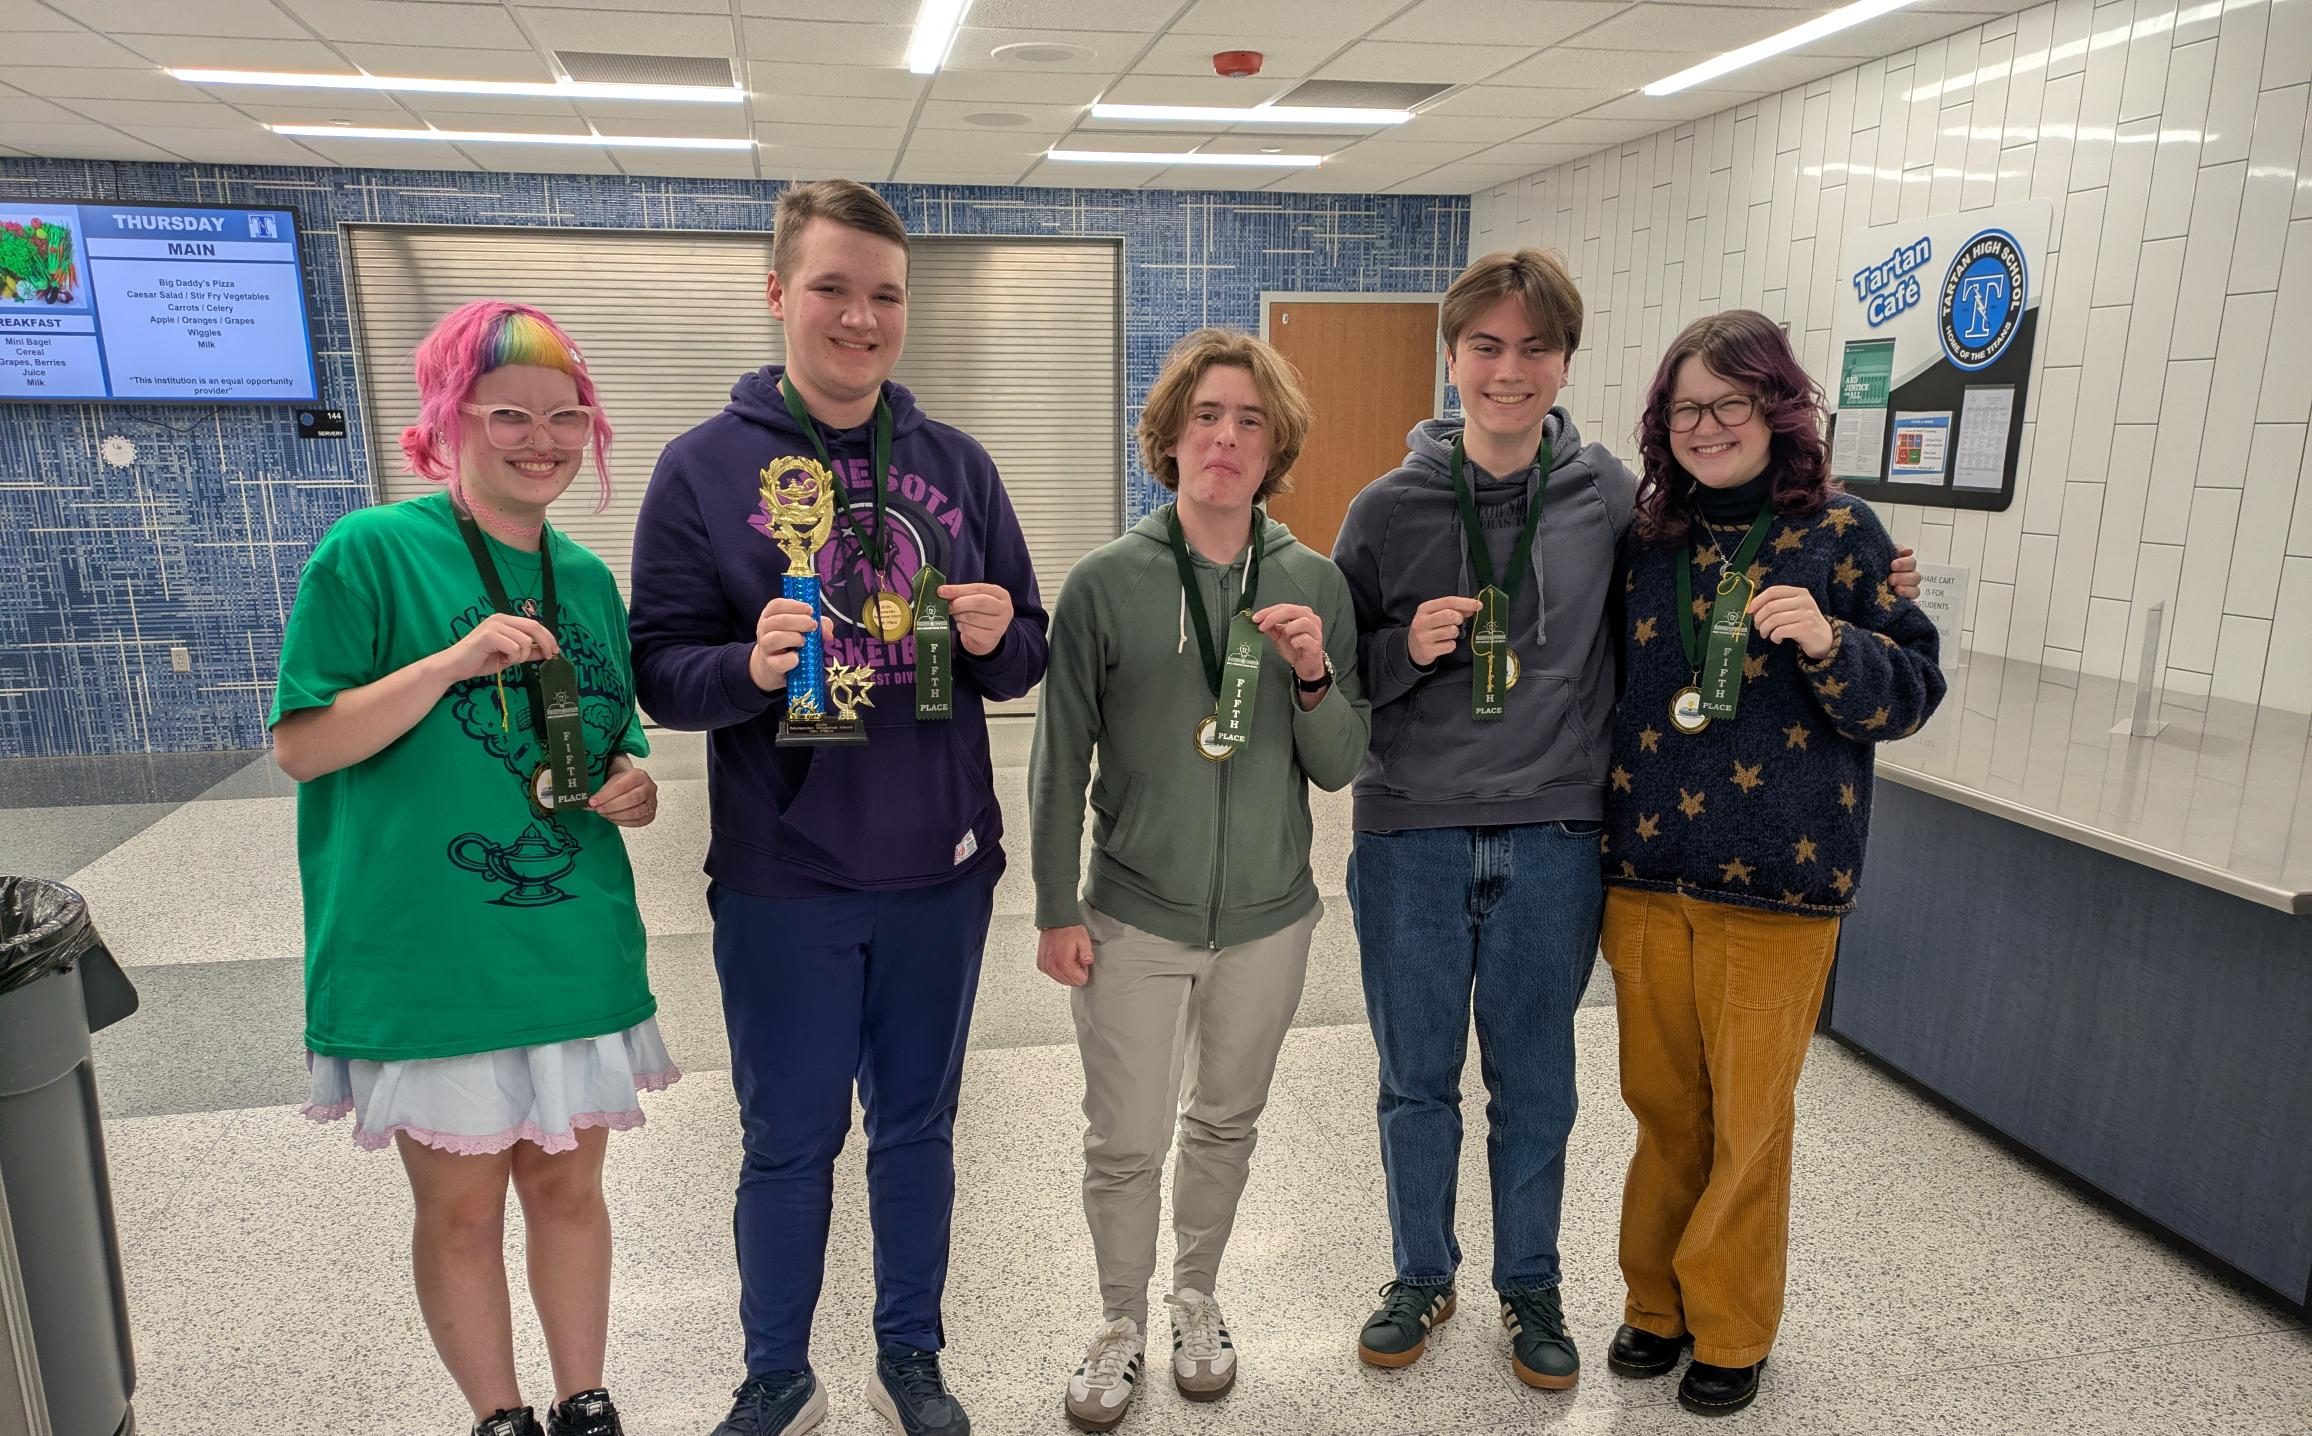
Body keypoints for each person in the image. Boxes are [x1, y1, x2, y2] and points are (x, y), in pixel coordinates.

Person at [1332, 253, 1920, 1394]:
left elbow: (1801, 564)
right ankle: (1419, 1270)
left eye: (1534, 347)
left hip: (1561, 837)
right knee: (1415, 1080)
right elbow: (1338, 679)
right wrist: (1400, 650)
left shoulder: (1607, 498)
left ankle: (1531, 1282)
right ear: (1450, 356)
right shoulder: (1387, 507)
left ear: (1564, 362)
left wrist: (1871, 571)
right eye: (1486, 346)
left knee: (1538, 1086)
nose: (1509, 371)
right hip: (1411, 833)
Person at [627, 179, 1048, 1436]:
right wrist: (748, 669)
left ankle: (906, 1354)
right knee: (786, 1139)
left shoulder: (956, 463)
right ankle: (776, 1370)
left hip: (939, 863)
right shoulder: (702, 468)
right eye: (832, 288)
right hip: (784, 872)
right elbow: (660, 666)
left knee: (917, 1127)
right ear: (777, 295)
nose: (859, 318)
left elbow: (1027, 651)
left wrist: (990, 634)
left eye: (882, 294)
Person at [273, 300, 669, 1436]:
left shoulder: (585, 575)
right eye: (508, 413)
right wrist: (451, 660)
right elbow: (301, 743)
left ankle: (585, 1400)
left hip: (566, 935)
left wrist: (633, 781)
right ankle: (500, 1415)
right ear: (450, 419)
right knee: (458, 1212)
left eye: (565, 415)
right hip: (430, 948)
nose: (539, 438)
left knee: (568, 1187)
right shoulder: (371, 553)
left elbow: (605, 733)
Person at [1599, 309, 1944, 1415]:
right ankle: (1653, 1302)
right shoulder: (1642, 543)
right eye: (1685, 408)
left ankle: (1731, 1325)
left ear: (1776, 409)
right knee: (1661, 1106)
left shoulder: (1841, 533)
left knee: (1750, 1123)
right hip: (1646, 872)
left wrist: (1831, 642)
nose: (1706, 427)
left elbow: (1912, 690)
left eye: (1729, 403)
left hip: (1779, 887)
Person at [1029, 329, 1370, 1432]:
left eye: (1249, 421)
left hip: (1269, 919)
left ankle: (1196, 1298)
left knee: (1225, 1121)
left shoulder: (1313, 582)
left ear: (1276, 447)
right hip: (1130, 911)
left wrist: (1313, 671)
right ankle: (1118, 1320)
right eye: (1206, 416)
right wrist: (1051, 905)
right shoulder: (1104, 582)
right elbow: (1058, 757)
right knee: (1123, 1135)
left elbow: (1339, 763)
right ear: (1168, 435)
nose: (1225, 438)